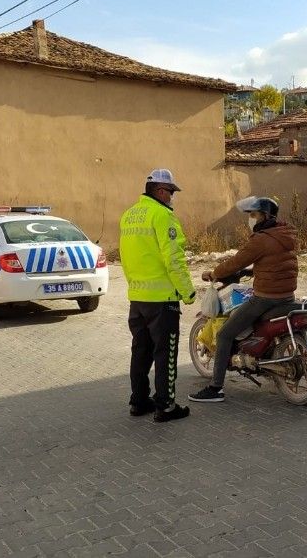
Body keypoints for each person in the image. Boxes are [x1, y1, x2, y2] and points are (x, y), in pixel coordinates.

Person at [188, 196, 298, 403]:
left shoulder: (261, 239)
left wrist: (214, 273)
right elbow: (276, 263)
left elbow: (236, 261)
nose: (251, 219)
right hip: (287, 296)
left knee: (224, 334)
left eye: (253, 215)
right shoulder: (285, 234)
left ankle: (215, 388)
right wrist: (251, 271)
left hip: (266, 298)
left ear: (265, 216)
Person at [119, 168, 196, 423]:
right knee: (166, 354)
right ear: (161, 191)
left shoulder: (129, 216)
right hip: (162, 300)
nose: (172, 197)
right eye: (171, 192)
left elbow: (126, 257)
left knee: (140, 352)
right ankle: (166, 405)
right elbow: (174, 259)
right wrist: (187, 292)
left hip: (138, 297)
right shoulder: (163, 216)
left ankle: (139, 401)